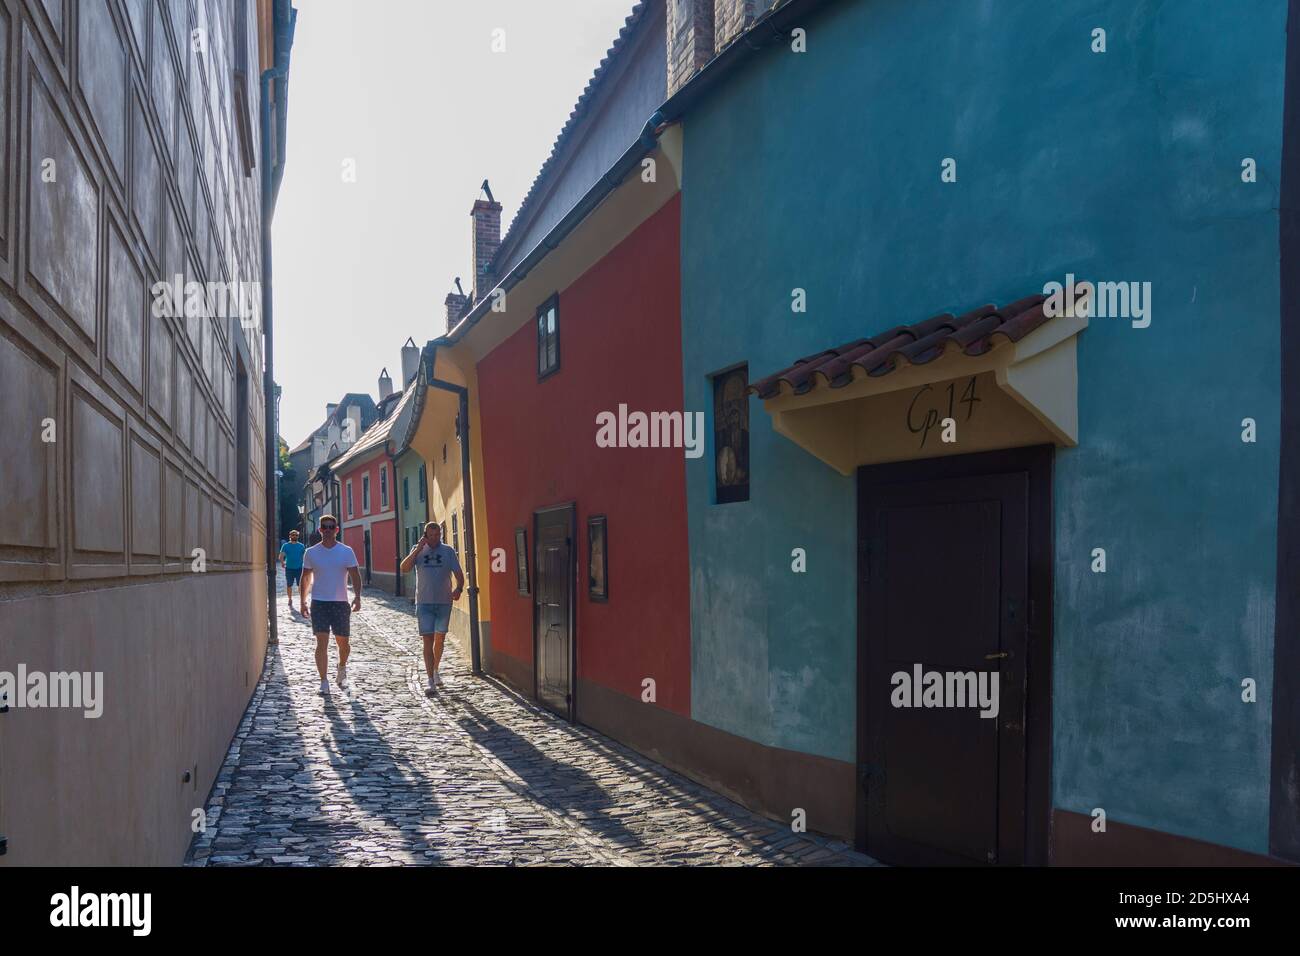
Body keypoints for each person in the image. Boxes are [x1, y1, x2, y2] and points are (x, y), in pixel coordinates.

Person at [298, 515, 363, 695]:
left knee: (343, 643)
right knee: (322, 642)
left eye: (331, 527)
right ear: (319, 530)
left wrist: (357, 597)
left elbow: (355, 575)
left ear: (336, 530)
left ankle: (341, 667)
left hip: (340, 603)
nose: (327, 530)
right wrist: (302, 601)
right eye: (324, 527)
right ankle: (323, 681)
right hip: (319, 602)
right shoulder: (311, 552)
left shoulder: (346, 551)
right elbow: (305, 578)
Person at [400, 521, 464, 697]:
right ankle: (430, 681)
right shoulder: (418, 549)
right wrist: (418, 549)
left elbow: (459, 573)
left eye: (438, 535)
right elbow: (404, 568)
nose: (435, 539)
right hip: (424, 602)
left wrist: (458, 588)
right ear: (425, 535)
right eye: (432, 535)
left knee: (440, 639)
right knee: (427, 640)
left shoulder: (448, 551)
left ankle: (435, 669)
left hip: (444, 602)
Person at [278, 530, 306, 610]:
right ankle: (290, 599)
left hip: (299, 568)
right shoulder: (285, 546)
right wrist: (282, 562)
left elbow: (304, 556)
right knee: (289, 585)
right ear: (290, 536)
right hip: (289, 568)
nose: (294, 536)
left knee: (300, 585)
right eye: (293, 535)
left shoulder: (301, 546)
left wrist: (306, 564)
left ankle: (302, 600)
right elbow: (281, 555)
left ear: (298, 536)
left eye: (296, 535)